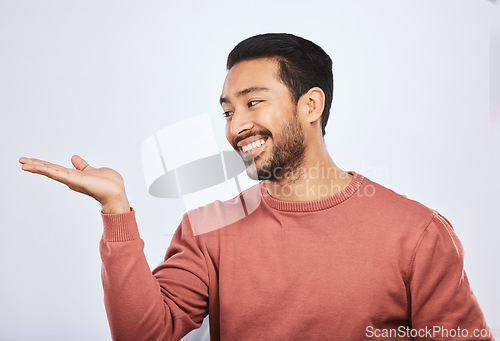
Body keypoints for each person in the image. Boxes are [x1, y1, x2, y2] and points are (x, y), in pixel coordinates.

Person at [19, 33, 494, 341]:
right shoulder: (207, 228)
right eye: (228, 111)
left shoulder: (417, 232)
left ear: (310, 106)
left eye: (253, 103)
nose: (236, 126)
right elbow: (145, 334)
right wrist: (116, 210)